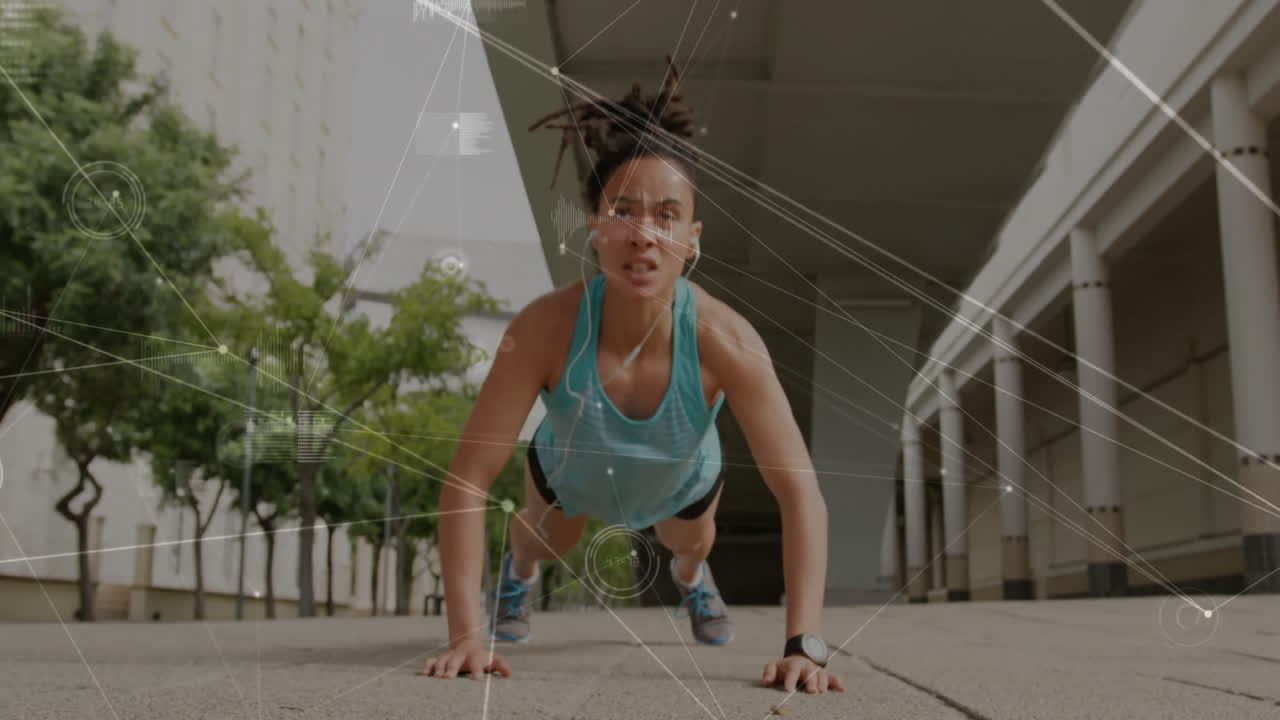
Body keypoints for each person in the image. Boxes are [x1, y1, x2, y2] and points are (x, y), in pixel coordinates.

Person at [421, 59, 845, 696]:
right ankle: (519, 573)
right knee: (546, 543)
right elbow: (468, 476)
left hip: (682, 482)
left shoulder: (726, 340)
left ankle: (695, 582)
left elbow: (801, 495)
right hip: (571, 472)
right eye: (624, 211)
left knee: (689, 544)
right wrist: (463, 638)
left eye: (667, 216)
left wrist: (804, 647)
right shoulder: (545, 328)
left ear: (692, 238)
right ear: (594, 229)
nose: (645, 235)